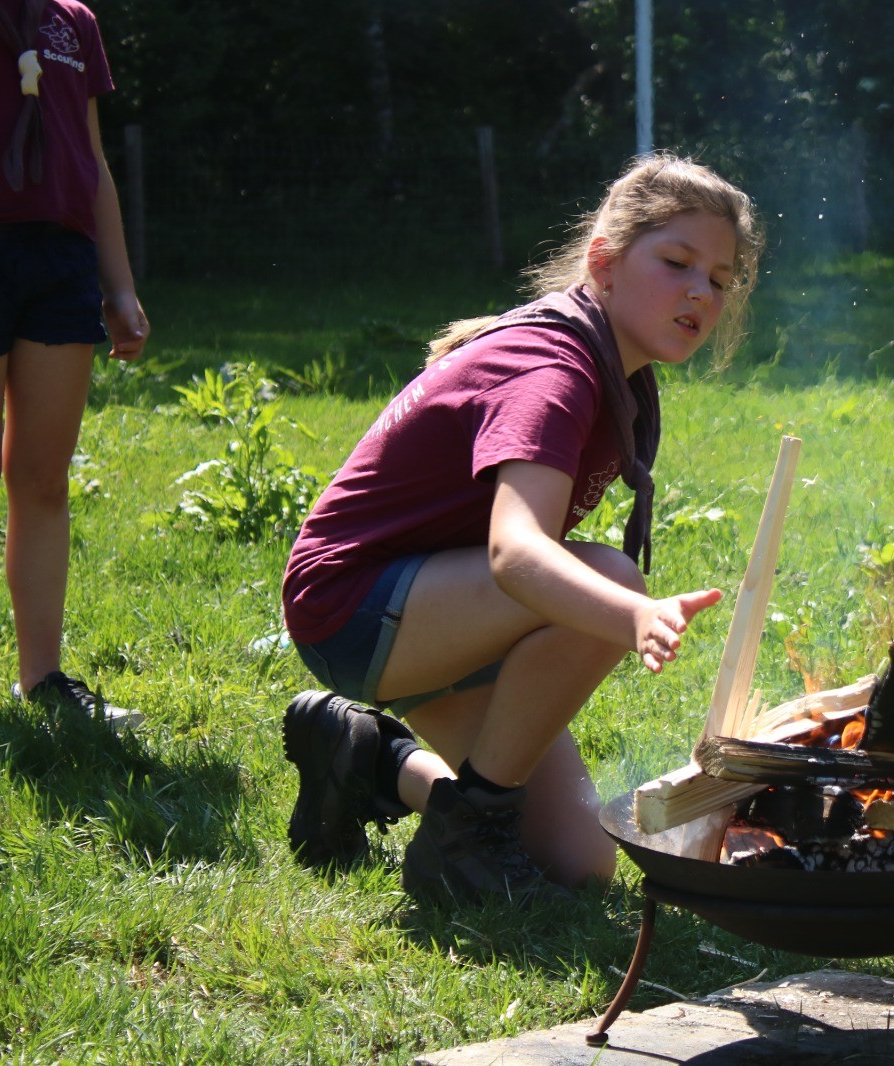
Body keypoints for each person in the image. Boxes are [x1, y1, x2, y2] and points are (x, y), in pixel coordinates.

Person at [280, 152, 763, 905]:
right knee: (608, 578)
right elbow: (516, 554)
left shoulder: (612, 366)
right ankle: (463, 842)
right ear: (604, 264)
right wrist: (631, 611)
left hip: (438, 608)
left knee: (578, 863)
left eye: (720, 279)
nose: (701, 291)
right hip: (353, 607)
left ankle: (369, 757)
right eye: (677, 262)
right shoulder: (555, 370)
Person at [0, 0, 149, 730]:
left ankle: (43, 680)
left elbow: (90, 163)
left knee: (42, 479)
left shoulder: (72, 22)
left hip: (61, 263)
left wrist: (117, 285)